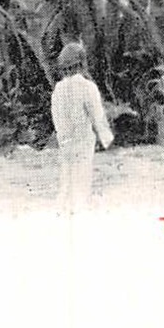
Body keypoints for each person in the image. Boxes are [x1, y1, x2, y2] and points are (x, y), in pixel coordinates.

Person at [49, 42, 113, 213]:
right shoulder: (88, 87)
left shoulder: (58, 89)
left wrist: (61, 136)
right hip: (83, 139)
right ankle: (80, 208)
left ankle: (63, 208)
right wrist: (107, 139)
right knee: (83, 176)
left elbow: (56, 116)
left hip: (65, 140)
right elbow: (97, 116)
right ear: (82, 62)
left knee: (67, 177)